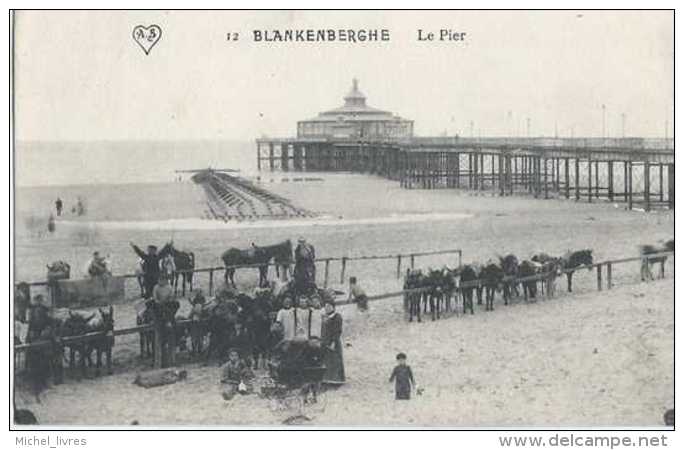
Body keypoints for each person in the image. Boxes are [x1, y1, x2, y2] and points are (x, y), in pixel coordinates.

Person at [321, 301, 345, 385]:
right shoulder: (325, 317)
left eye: (329, 306)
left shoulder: (337, 317)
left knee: (335, 360)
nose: (327, 308)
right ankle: (328, 379)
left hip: (334, 341)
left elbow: (337, 330)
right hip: (326, 341)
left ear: (333, 307)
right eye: (326, 306)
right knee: (328, 360)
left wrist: (334, 342)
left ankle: (337, 379)